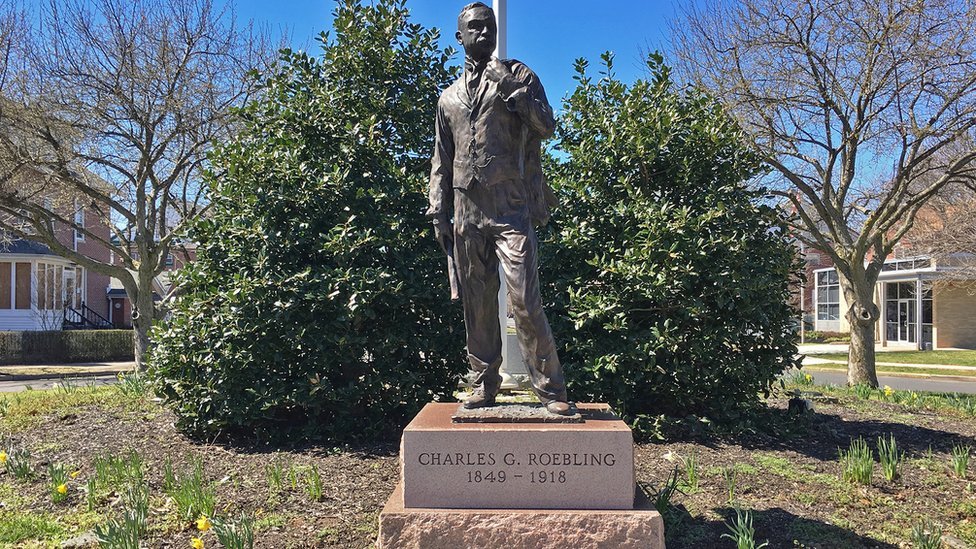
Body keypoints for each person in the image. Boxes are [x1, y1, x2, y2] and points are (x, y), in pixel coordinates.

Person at [427, 2, 570, 415]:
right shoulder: (448, 98)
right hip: (467, 210)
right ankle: (482, 384)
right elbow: (441, 157)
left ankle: (551, 390)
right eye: (475, 27)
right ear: (460, 37)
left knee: (524, 299)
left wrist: (511, 87)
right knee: (478, 303)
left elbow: (546, 124)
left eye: (488, 26)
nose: (484, 33)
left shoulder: (518, 75)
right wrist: (439, 211)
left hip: (510, 207)